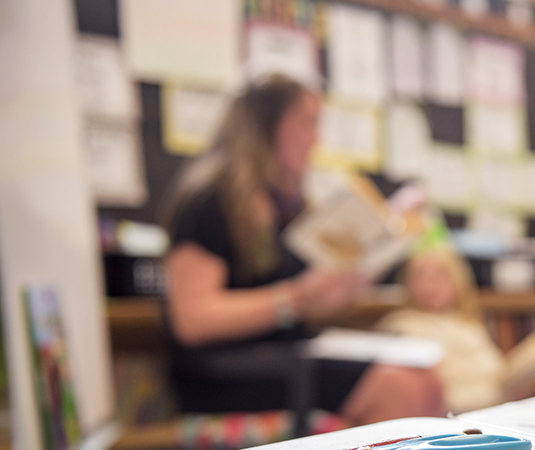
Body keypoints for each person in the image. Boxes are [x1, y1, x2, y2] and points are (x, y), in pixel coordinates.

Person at [161, 75, 445, 426]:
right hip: (226, 370)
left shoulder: (286, 207)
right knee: (395, 388)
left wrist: (357, 271)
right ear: (265, 127)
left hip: (288, 355)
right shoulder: (210, 201)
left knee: (429, 382)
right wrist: (296, 297)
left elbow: (312, 301)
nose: (316, 139)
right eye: (306, 123)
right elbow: (193, 319)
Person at [376, 248, 535, 413]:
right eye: (421, 276)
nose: (431, 284)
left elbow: (495, 370)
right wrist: (505, 396)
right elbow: (438, 396)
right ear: (408, 283)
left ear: (457, 282)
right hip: (475, 409)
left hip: (502, 396)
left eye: (440, 276)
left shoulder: (466, 323)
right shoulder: (403, 326)